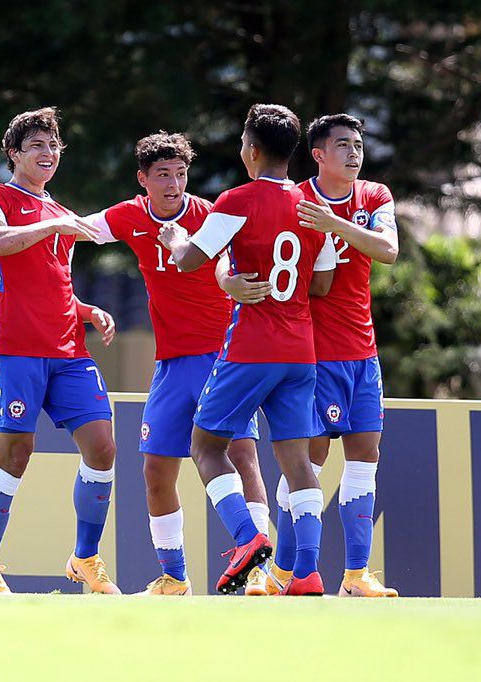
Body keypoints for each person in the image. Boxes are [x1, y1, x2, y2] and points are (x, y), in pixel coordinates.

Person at [83, 131, 272, 595]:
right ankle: (175, 577)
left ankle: (260, 573)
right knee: (156, 470)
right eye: (163, 175)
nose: (173, 184)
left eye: (181, 174)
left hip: (222, 357)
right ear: (143, 179)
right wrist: (36, 224)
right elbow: (79, 228)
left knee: (243, 455)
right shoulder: (131, 215)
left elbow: (227, 265)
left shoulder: (210, 215)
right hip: (170, 364)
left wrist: (223, 278)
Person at [160, 103, 336, 596]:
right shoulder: (310, 205)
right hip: (301, 350)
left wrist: (176, 238)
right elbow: (322, 283)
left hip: (251, 346)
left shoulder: (236, 200)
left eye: (242, 141)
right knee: (297, 462)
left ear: (252, 150)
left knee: (205, 445)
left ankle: (246, 535)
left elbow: (190, 260)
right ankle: (306, 573)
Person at [0, 107, 121, 594]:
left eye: (54, 147)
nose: (48, 154)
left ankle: (85, 560)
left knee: (103, 447)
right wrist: (53, 228)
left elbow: (50, 286)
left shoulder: (59, 212)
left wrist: (86, 310)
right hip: (14, 350)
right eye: (37, 146)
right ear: (14, 154)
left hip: (69, 351)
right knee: (14, 455)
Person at [265, 114, 400, 597]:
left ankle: (357, 576)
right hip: (313, 356)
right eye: (342, 144)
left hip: (363, 354)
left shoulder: (374, 196)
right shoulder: (295, 199)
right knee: (311, 460)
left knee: (366, 456)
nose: (354, 152)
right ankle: (282, 572)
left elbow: (387, 249)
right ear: (318, 154)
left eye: (358, 143)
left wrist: (335, 223)